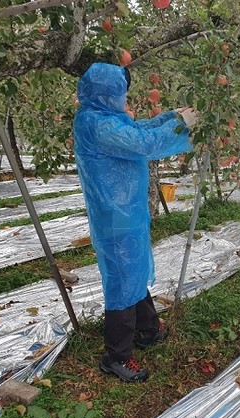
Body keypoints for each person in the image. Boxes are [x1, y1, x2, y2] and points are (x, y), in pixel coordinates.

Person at [73, 63, 196, 382]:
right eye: (120, 93)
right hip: (116, 216)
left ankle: (149, 329)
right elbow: (144, 144)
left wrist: (173, 115)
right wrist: (182, 127)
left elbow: (139, 129)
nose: (124, 98)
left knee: (134, 271)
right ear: (108, 94)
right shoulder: (99, 126)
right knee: (122, 281)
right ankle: (117, 355)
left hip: (125, 211)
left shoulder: (103, 118)